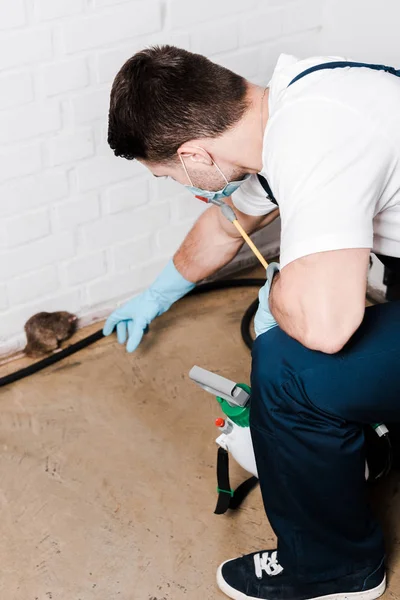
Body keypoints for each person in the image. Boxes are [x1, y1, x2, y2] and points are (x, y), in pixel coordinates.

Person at [104, 46, 400, 600]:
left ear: (195, 155)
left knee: (287, 370)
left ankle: (333, 570)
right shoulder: (293, 106)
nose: (183, 185)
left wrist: (280, 298)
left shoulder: (317, 137)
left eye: (171, 175)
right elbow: (225, 225)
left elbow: (327, 326)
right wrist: (157, 296)